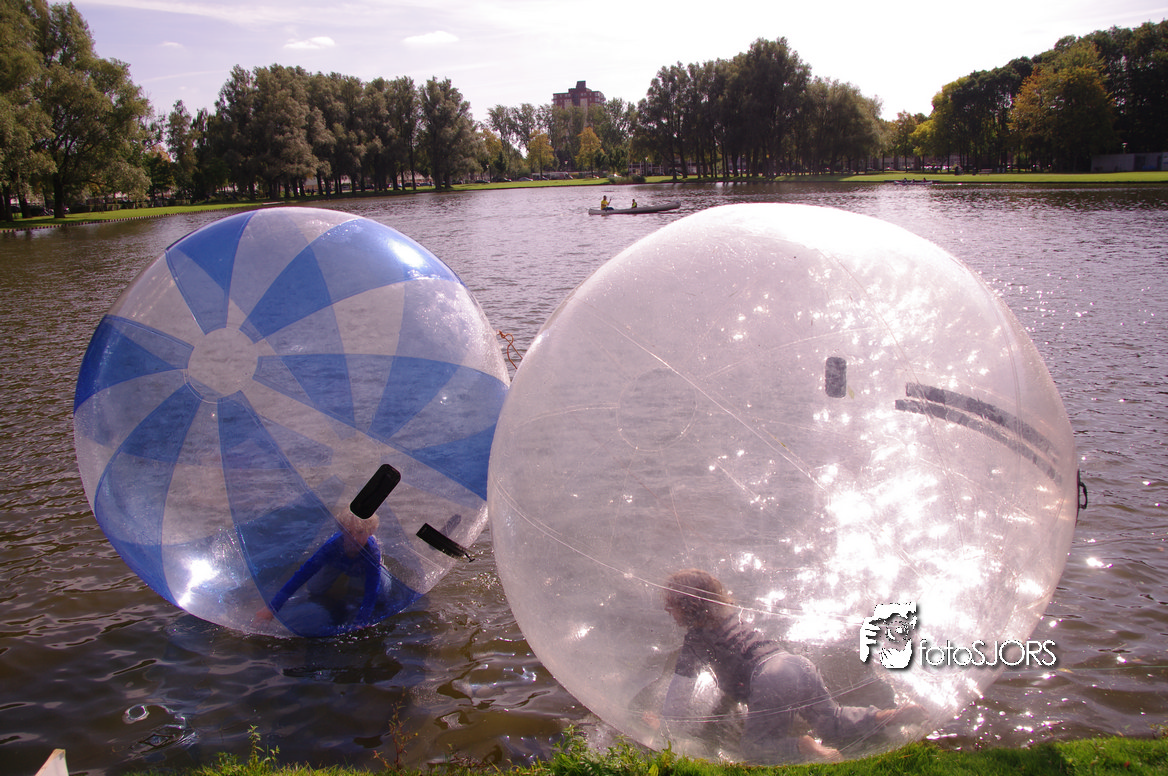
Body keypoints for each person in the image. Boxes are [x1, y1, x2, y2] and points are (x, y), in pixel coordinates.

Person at [657, 569, 925, 764]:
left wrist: (664, 726)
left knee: (754, 748)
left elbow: (680, 692)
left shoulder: (696, 639)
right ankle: (886, 716)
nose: (669, 612)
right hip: (795, 664)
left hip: (768, 678)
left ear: (688, 607)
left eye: (672, 607)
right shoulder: (733, 620)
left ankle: (805, 747)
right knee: (830, 718)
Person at [256, 509, 385, 628]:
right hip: (339, 562)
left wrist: (361, 621)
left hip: (363, 566)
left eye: (360, 532)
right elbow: (303, 574)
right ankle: (342, 575)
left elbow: (372, 587)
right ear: (342, 531)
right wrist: (272, 608)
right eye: (349, 532)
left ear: (370, 531)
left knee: (382, 592)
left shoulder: (372, 551)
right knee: (314, 588)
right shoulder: (332, 546)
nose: (354, 538)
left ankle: (376, 572)